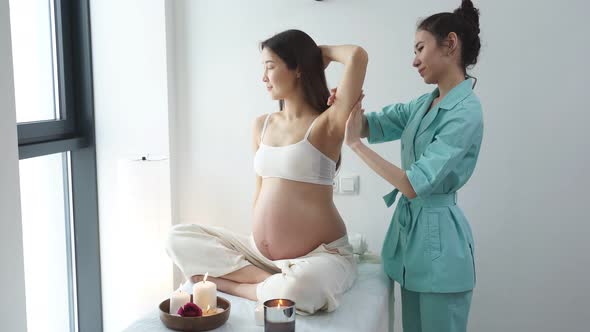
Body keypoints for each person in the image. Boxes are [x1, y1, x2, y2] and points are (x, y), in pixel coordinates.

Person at [165, 29, 368, 314]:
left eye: (270, 67)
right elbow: (260, 190)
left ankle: (239, 285)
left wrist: (318, 54)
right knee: (178, 237)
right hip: (260, 255)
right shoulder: (262, 125)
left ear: (298, 69)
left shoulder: (327, 124)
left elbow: (357, 55)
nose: (263, 78)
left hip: (319, 255)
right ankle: (272, 283)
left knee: (301, 289)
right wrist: (261, 240)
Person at [330, 1, 483, 330]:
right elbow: (373, 123)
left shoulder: (465, 111)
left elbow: (414, 184)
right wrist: (346, 105)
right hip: (412, 245)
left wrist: (355, 145)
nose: (414, 61)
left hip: (441, 250)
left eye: (420, 48)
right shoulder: (425, 103)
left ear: (450, 44)